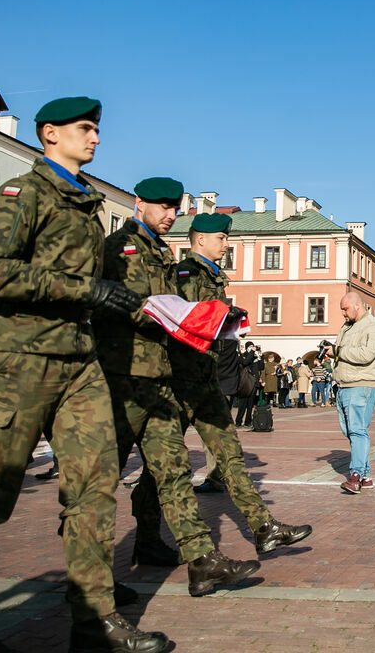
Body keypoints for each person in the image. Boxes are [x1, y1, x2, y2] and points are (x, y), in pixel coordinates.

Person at [0, 98, 171, 653]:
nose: (95, 139)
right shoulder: (24, 194)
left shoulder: (87, 206)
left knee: (94, 489)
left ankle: (95, 621)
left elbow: (107, 286)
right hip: (18, 361)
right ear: (50, 134)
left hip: (78, 362)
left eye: (96, 130)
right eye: (84, 129)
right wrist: (84, 290)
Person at [95, 176, 259, 594]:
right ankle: (91, 580)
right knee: (95, 485)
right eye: (162, 207)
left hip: (159, 377)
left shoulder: (162, 255)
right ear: (139, 204)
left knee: (173, 470)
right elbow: (125, 305)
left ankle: (201, 562)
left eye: (174, 207)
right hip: (122, 378)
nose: (170, 215)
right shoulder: (119, 247)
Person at [164, 213, 312, 549]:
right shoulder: (185, 273)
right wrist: (218, 317)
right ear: (200, 239)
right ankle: (146, 537)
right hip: (183, 381)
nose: (226, 244)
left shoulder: (214, 276)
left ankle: (264, 528)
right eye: (221, 238)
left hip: (208, 378)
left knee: (230, 456)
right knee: (162, 466)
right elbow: (183, 320)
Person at [328, 291, 375, 493]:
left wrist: (337, 352)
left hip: (362, 384)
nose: (343, 314)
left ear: (357, 306)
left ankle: (356, 474)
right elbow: (341, 349)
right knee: (351, 430)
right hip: (345, 384)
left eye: (345, 309)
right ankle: (366, 474)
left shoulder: (373, 327)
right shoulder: (347, 327)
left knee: (357, 430)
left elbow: (366, 354)